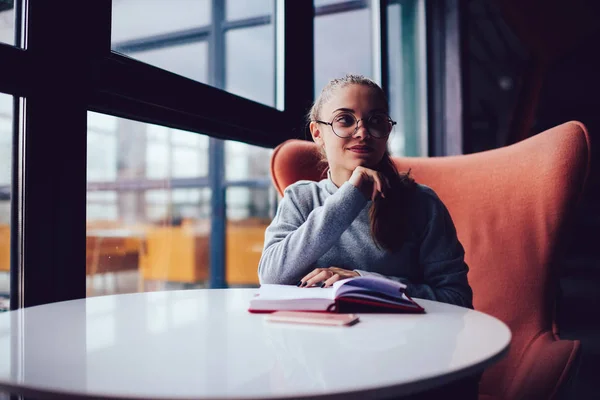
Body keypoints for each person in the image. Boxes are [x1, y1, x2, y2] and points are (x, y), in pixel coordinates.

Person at [258, 74, 473, 309]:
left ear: (387, 131)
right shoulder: (301, 198)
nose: (362, 132)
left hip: (401, 340)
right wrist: (351, 195)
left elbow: (457, 299)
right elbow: (270, 277)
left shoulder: (421, 203)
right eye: (345, 120)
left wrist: (366, 283)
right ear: (317, 133)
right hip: (317, 338)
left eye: (376, 120)